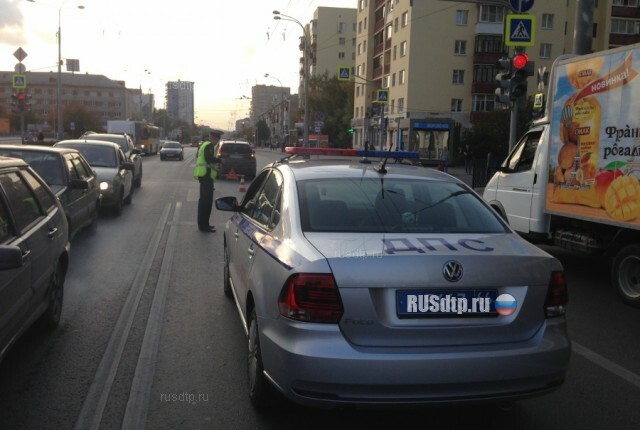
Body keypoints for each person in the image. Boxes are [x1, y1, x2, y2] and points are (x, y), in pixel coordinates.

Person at [194, 129, 223, 232]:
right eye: (217, 138)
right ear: (212, 137)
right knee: (206, 202)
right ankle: (204, 225)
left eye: (218, 139)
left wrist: (215, 168)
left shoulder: (203, 144)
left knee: (204, 202)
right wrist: (220, 160)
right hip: (206, 177)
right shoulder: (209, 145)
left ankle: (204, 224)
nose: (217, 141)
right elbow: (209, 159)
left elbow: (199, 157)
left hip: (204, 176)